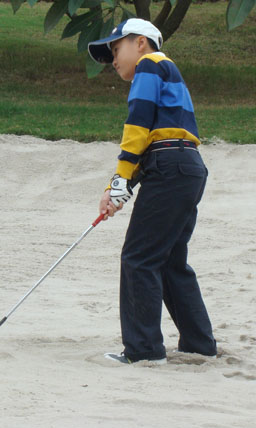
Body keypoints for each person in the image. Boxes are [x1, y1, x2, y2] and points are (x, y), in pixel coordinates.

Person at [88, 18, 217, 364]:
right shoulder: (165, 71)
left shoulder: (150, 64)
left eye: (117, 49)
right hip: (186, 167)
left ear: (140, 42)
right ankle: (200, 345)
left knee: (139, 258)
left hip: (171, 167)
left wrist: (120, 178)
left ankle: (144, 351)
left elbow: (138, 125)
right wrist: (118, 187)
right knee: (170, 262)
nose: (113, 60)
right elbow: (154, 142)